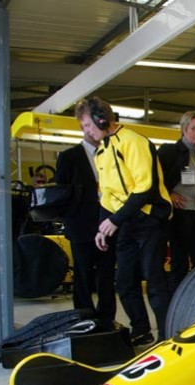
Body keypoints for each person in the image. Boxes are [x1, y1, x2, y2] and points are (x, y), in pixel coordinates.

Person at [84, 97, 172, 344]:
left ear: (102, 119)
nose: (87, 131)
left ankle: (166, 336)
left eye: (88, 125)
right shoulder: (101, 152)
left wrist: (116, 220)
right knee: (124, 281)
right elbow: (107, 196)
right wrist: (103, 227)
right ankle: (141, 330)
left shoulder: (134, 142)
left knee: (154, 280)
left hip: (150, 218)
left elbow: (146, 188)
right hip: (127, 222)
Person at [54, 116, 117, 328]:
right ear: (83, 127)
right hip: (81, 224)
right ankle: (83, 319)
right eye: (89, 126)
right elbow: (61, 193)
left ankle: (107, 319)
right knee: (83, 275)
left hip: (108, 223)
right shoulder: (69, 157)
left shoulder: (112, 153)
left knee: (107, 274)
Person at [158, 111, 195, 295]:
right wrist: (169, 194)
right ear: (184, 129)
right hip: (179, 213)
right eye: (193, 129)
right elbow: (154, 177)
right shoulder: (171, 151)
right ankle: (175, 298)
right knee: (180, 260)